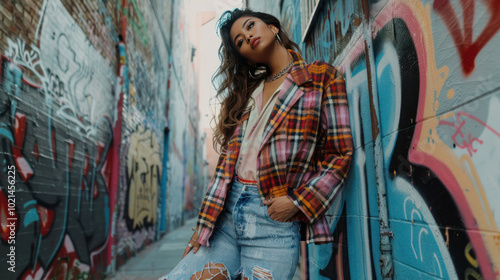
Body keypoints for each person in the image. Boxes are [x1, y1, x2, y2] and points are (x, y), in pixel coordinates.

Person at [162, 8, 353, 280]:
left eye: (250, 26)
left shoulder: (321, 78)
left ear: (273, 28)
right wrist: (203, 224)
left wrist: (299, 203)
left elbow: (340, 154)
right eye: (239, 41)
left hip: (272, 223)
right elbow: (225, 167)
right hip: (226, 218)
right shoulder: (247, 95)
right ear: (245, 57)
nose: (247, 36)